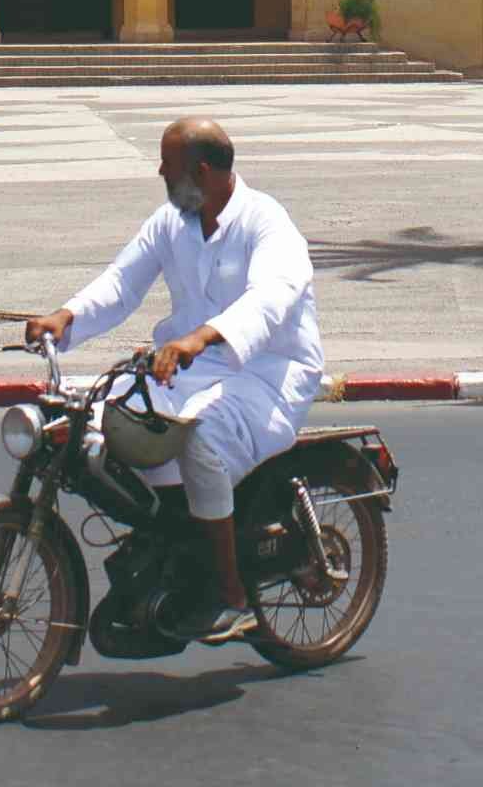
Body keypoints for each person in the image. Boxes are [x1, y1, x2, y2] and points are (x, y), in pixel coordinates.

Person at [22, 116, 324, 645]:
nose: (160, 172)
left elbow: (271, 299)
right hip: (189, 369)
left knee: (199, 441)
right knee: (96, 424)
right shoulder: (172, 222)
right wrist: (66, 316)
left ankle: (230, 595)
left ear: (201, 172)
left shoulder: (267, 223)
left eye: (168, 165)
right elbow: (122, 282)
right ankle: (167, 537)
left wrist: (202, 337)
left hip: (268, 374)